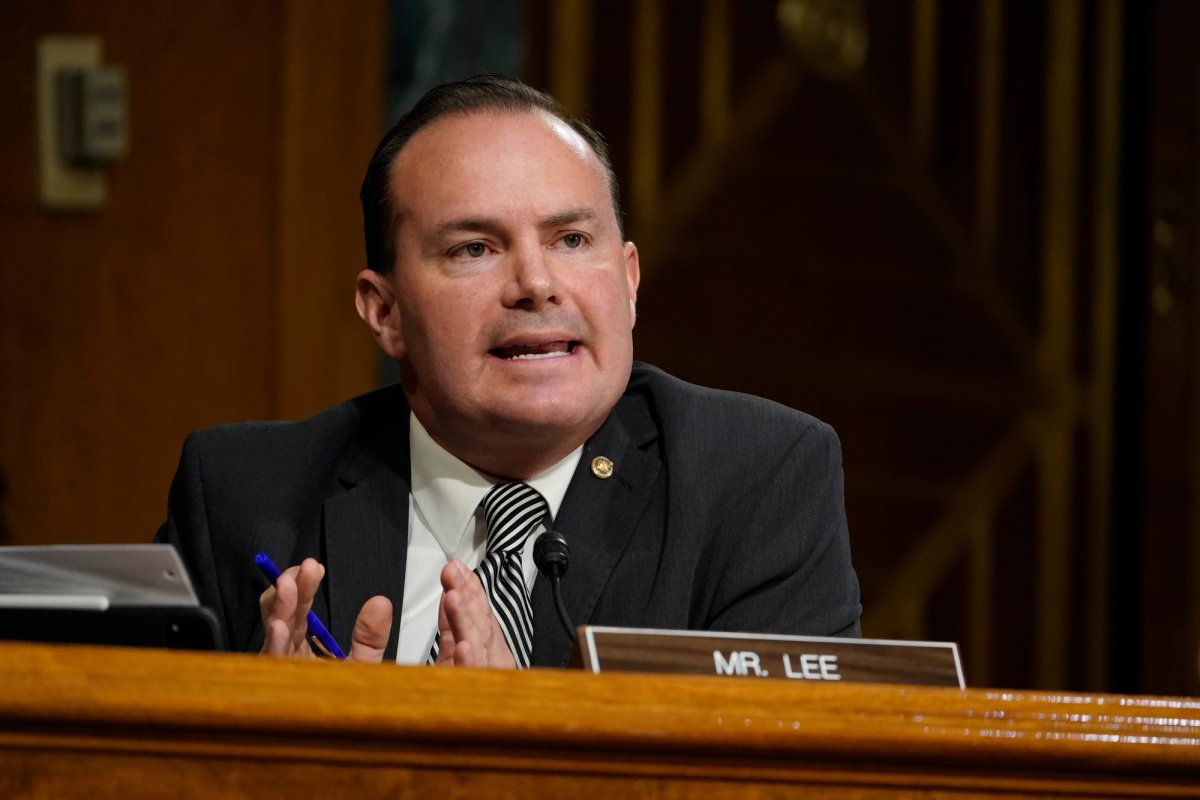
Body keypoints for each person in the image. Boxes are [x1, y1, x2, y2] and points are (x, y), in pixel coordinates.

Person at [156, 75, 860, 668]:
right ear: (385, 312)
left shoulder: (755, 480)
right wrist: (265, 749)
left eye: (573, 239)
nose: (536, 283)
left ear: (629, 279)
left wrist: (521, 753)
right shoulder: (242, 495)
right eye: (474, 249)